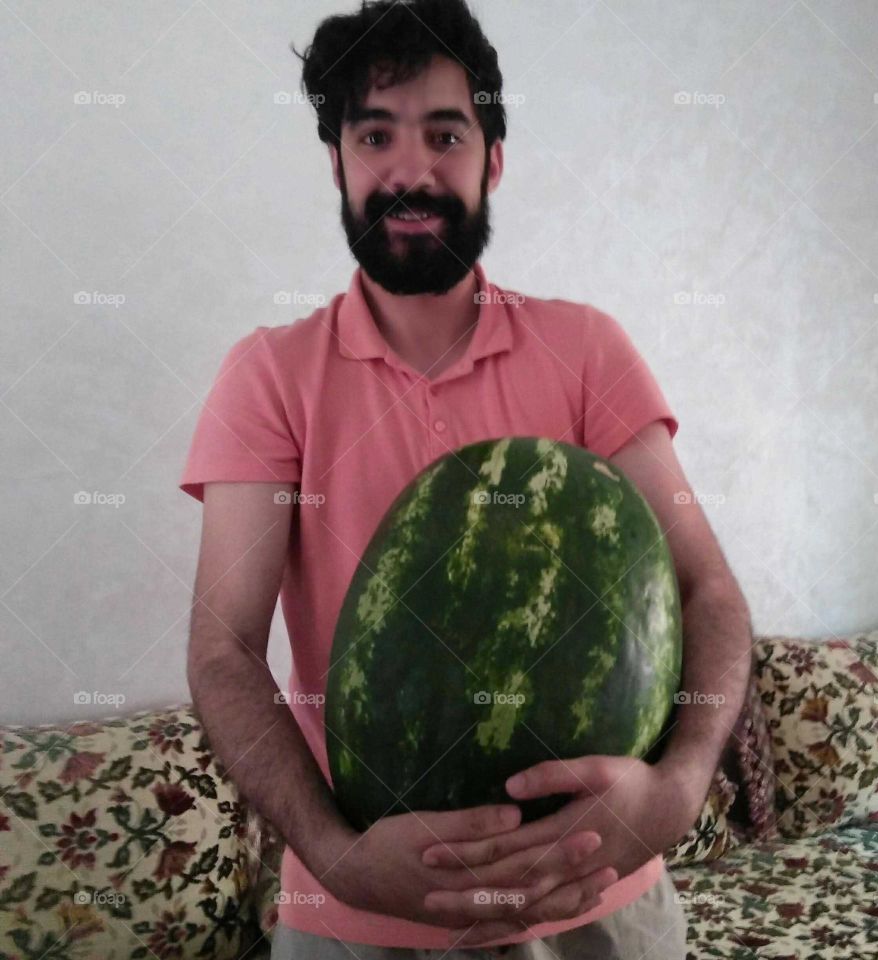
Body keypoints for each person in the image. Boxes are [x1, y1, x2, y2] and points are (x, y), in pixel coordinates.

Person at [181, 1, 753, 957]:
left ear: (493, 158)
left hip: (599, 903)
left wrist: (681, 786)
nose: (410, 170)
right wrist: (335, 853)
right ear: (339, 165)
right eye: (375, 135)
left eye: (445, 133)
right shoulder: (269, 376)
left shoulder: (586, 350)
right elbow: (222, 648)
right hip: (363, 911)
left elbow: (709, 590)